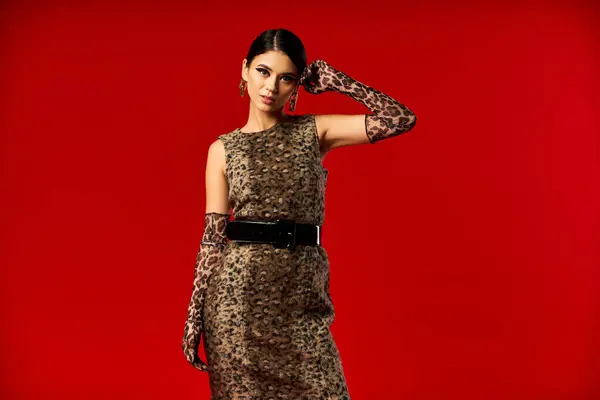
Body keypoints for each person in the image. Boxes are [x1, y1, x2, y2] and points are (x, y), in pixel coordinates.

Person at [181, 28, 417, 399]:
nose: (270, 87)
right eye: (262, 71)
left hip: (302, 300)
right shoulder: (222, 150)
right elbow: (213, 237)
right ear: (244, 70)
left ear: (298, 84)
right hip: (236, 305)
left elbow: (400, 119)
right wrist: (194, 316)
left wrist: (337, 80)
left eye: (286, 77)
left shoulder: (315, 131)